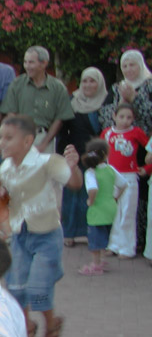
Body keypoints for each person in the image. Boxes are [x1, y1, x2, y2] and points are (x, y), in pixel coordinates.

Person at [0, 115, 83, 337]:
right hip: (20, 235)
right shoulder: (6, 167)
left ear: (28, 141)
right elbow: (2, 192)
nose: (2, 143)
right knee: (16, 288)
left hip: (46, 234)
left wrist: (73, 167)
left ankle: (52, 323)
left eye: (9, 138)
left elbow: (74, 184)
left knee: (39, 289)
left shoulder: (46, 162)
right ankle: (27, 326)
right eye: (1, 137)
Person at [59, 67, 108, 247]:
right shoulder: (72, 101)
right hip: (76, 154)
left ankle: (93, 232)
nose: (87, 85)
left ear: (99, 83)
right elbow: (63, 130)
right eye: (85, 81)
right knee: (73, 195)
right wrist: (64, 153)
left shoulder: (106, 101)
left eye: (92, 81)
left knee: (95, 194)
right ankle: (69, 233)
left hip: (98, 155)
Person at [0, 45, 74, 152]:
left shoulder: (58, 88)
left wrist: (44, 144)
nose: (27, 66)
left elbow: (60, 119)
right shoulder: (17, 84)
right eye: (25, 62)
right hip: (20, 137)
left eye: (31, 62)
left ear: (44, 63)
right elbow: (11, 113)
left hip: (44, 137)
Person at [100, 103, 149, 258]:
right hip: (111, 177)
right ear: (114, 116)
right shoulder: (107, 133)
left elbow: (150, 149)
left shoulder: (136, 132)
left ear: (133, 119)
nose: (125, 120)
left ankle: (127, 248)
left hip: (129, 177)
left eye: (129, 117)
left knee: (127, 211)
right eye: (121, 116)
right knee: (114, 211)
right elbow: (100, 153)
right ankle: (113, 245)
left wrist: (147, 168)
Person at [79, 139, 128, 276]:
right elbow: (123, 184)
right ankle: (101, 260)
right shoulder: (110, 169)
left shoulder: (91, 172)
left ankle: (96, 264)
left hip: (97, 209)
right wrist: (115, 197)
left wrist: (90, 201)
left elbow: (93, 189)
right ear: (106, 155)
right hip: (110, 207)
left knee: (94, 237)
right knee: (105, 234)